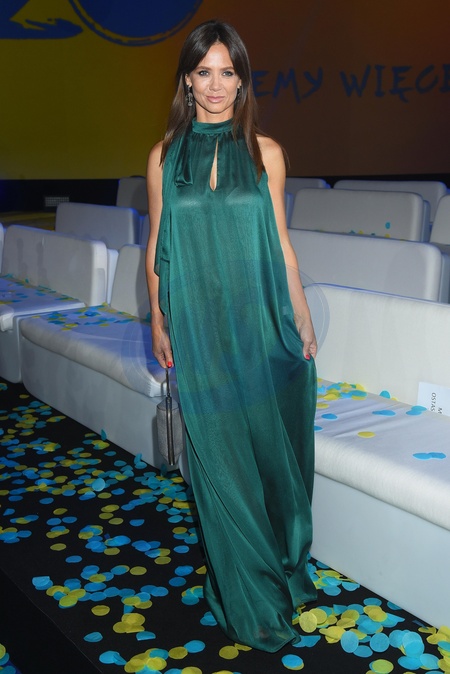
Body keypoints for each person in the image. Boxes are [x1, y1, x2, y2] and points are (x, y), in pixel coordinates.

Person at [145, 19, 318, 653]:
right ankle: (249, 598)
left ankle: (283, 567)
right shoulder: (164, 157)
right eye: (204, 72)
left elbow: (282, 245)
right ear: (187, 81)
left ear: (242, 81)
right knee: (220, 468)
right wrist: (158, 318)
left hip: (261, 328)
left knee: (273, 460)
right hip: (200, 332)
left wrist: (301, 315)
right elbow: (156, 247)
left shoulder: (266, 153)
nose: (216, 85)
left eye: (227, 72)